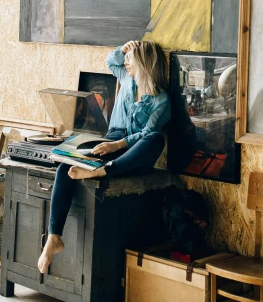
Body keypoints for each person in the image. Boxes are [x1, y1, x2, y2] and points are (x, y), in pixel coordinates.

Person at [38, 40, 170, 273]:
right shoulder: (125, 78)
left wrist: (118, 145)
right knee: (66, 167)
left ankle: (100, 170)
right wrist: (124, 49)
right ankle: (54, 236)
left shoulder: (162, 100)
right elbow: (111, 61)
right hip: (112, 140)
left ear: (144, 63)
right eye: (127, 59)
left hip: (135, 152)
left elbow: (147, 133)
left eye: (131, 59)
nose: (126, 62)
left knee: (156, 139)